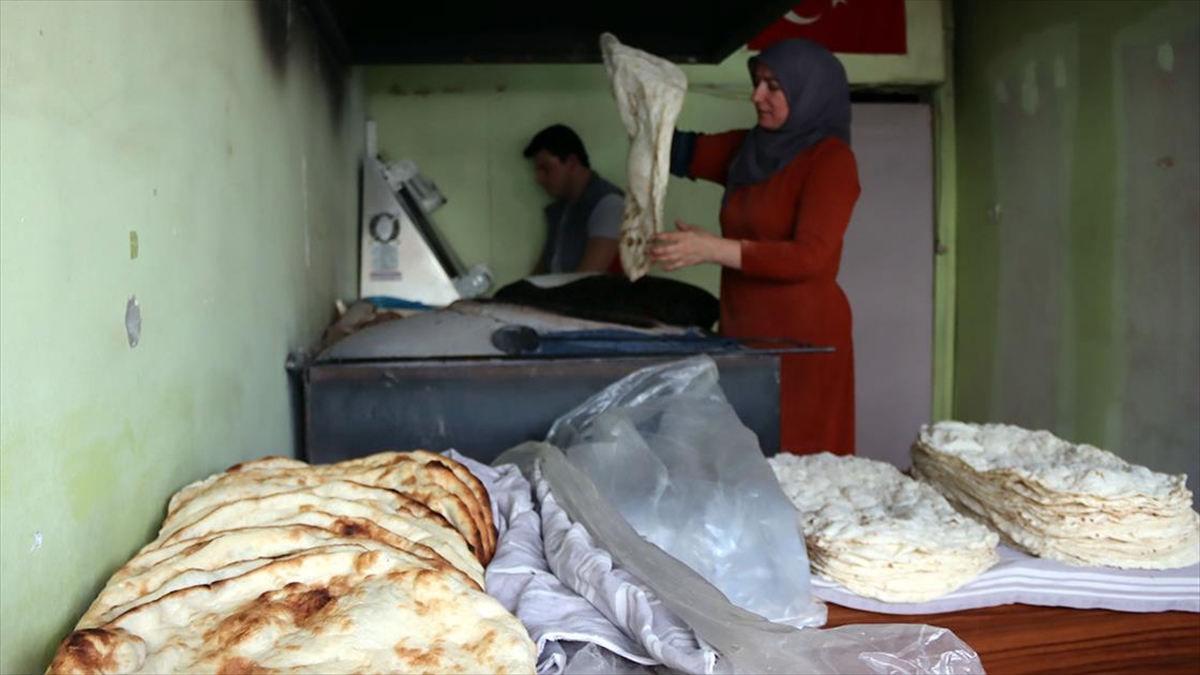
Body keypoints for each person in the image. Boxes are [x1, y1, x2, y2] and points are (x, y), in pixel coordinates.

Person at [650, 38, 860, 456]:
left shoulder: (831, 161)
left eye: (773, 87)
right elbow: (670, 151)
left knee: (798, 461)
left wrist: (712, 249)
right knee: (745, 456)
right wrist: (642, 99)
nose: (756, 96)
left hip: (803, 343)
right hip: (744, 334)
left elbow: (810, 257)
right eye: (757, 82)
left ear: (807, 93)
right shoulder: (750, 149)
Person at [523, 124, 624, 274]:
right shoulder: (560, 210)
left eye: (546, 168)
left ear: (572, 161)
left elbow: (589, 276)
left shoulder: (609, 203)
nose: (539, 179)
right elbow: (543, 270)